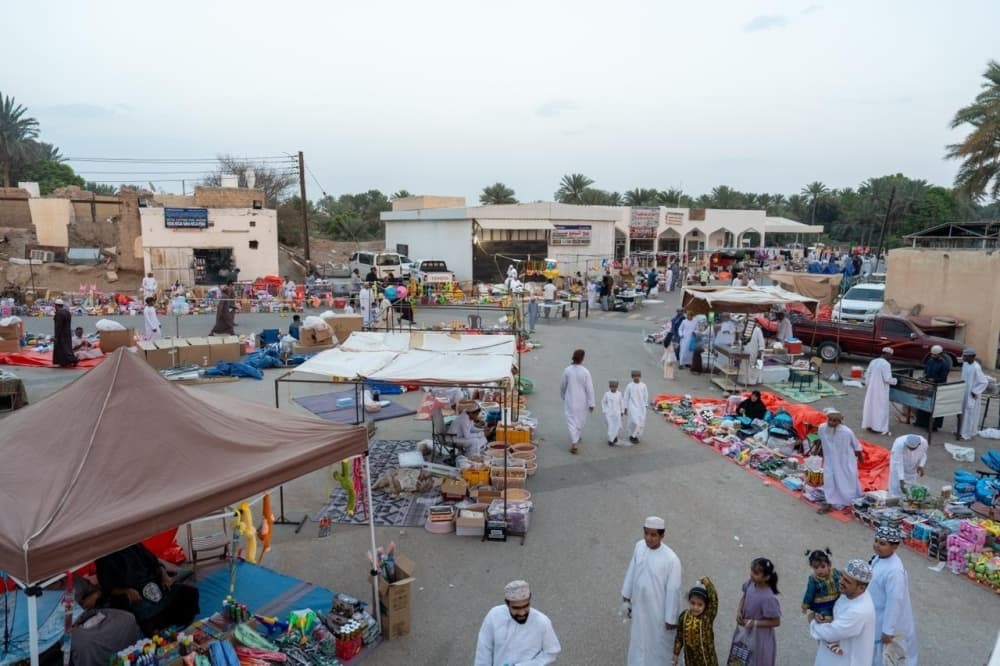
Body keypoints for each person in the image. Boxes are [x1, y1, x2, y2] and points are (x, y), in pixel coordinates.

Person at [96, 542, 200, 635]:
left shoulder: (134, 544)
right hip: (135, 593)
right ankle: (159, 628)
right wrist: (126, 591)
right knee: (145, 612)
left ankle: (178, 622)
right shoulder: (104, 558)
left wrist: (164, 575)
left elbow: (155, 563)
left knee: (190, 593)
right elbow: (107, 588)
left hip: (155, 583)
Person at [621, 516, 683, 666]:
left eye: (653, 534)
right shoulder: (639, 547)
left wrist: (670, 618)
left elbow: (673, 590)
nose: (649, 538)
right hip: (640, 607)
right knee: (639, 639)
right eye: (646, 533)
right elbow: (632, 570)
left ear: (662, 535)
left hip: (657, 612)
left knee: (657, 644)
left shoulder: (671, 560)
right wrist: (626, 596)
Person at [474, 580, 560, 666]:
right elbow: (484, 650)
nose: (522, 613)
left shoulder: (542, 622)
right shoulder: (494, 616)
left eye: (525, 606)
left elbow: (551, 652)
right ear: (507, 603)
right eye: (516, 608)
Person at [808, 559, 877, 666]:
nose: (840, 581)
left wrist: (812, 622)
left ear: (861, 588)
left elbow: (831, 633)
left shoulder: (859, 611)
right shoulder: (850, 592)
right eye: (842, 576)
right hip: (833, 655)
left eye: (847, 581)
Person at [869, 526, 918, 665]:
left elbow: (895, 601)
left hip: (888, 621)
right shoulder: (879, 558)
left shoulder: (895, 572)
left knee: (889, 656)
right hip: (877, 612)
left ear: (894, 546)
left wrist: (888, 630)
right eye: (876, 541)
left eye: (882, 543)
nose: (877, 545)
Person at [72, 577, 144, 666]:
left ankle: (131, 655)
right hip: (62, 628)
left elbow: (98, 590)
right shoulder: (49, 590)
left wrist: (94, 596)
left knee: (127, 618)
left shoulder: (74, 580)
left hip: (86, 614)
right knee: (83, 641)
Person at [815, 407, 864, 514]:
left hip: (845, 461)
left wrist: (861, 459)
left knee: (847, 481)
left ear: (839, 421)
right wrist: (815, 452)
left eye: (835, 420)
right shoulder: (822, 428)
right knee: (829, 480)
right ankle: (830, 502)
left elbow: (856, 446)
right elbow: (819, 439)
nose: (832, 422)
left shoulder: (847, 432)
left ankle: (849, 502)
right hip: (830, 461)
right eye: (830, 420)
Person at [734, 557, 781, 666]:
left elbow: (776, 622)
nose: (751, 574)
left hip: (759, 638)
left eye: (756, 573)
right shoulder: (750, 583)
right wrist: (739, 611)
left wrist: (754, 623)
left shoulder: (768, 598)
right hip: (745, 632)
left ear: (766, 577)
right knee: (741, 659)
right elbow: (744, 597)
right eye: (752, 571)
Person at [802, 548, 843, 656]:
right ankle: (829, 642)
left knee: (838, 620)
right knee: (825, 620)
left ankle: (837, 640)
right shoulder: (813, 579)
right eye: (816, 568)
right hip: (822, 605)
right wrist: (805, 605)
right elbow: (809, 593)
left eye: (823, 567)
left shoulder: (835, 573)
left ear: (829, 565)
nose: (820, 570)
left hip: (836, 601)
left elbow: (842, 581)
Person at [672, 576, 718, 666]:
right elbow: (679, 636)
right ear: (689, 601)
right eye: (692, 603)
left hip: (707, 660)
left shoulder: (707, 617)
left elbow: (714, 600)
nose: (695, 607)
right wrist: (675, 653)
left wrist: (707, 582)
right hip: (690, 660)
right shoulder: (684, 616)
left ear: (705, 605)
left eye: (700, 604)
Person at [560, 348, 595, 454]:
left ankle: (575, 441)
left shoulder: (567, 370)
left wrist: (563, 396)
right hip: (582, 401)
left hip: (570, 400)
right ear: (582, 359)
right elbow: (589, 388)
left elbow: (563, 385)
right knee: (580, 420)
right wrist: (591, 403)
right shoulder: (585, 372)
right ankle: (575, 440)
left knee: (571, 420)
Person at [861, 348, 897, 436]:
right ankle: (878, 428)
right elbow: (887, 379)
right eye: (890, 356)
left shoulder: (873, 361)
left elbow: (867, 374)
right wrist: (896, 380)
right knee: (880, 409)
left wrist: (868, 386)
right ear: (887, 354)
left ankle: (869, 425)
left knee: (871, 407)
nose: (891, 357)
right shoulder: (886, 364)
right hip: (881, 390)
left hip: (871, 389)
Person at [914, 345, 950, 430]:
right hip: (927, 385)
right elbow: (926, 372)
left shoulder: (944, 364)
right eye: (932, 354)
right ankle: (921, 423)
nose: (933, 356)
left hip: (938, 387)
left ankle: (934, 426)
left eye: (935, 355)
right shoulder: (930, 361)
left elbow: (943, 378)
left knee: (935, 407)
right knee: (923, 403)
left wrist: (933, 379)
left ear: (940, 354)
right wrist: (924, 377)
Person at [959, 348, 989, 441]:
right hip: (964, 392)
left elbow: (984, 382)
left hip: (971, 395)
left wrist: (975, 391)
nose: (963, 357)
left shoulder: (976, 367)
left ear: (972, 357)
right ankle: (960, 431)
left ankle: (967, 433)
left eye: (965, 356)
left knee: (969, 414)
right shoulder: (965, 364)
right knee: (962, 412)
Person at [623, 370, 649, 444]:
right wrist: (625, 408)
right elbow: (626, 397)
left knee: (640, 422)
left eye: (637, 376)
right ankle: (632, 436)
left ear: (640, 376)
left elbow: (646, 396)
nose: (636, 377)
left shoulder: (643, 385)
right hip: (632, 407)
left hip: (641, 407)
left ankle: (634, 436)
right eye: (634, 376)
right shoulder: (629, 386)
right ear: (632, 377)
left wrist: (645, 405)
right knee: (635, 422)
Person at [52, 298, 76, 367]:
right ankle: (66, 362)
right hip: (68, 333)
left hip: (61, 334)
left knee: (62, 349)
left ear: (56, 306)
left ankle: (72, 360)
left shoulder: (59, 313)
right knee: (68, 348)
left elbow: (58, 326)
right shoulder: (67, 312)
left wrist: (56, 336)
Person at [602, 379, 624, 446]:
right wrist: (605, 410)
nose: (613, 388)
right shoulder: (607, 394)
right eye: (612, 386)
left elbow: (621, 402)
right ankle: (610, 440)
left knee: (616, 426)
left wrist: (622, 411)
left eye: (615, 387)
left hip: (617, 413)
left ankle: (614, 437)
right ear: (610, 387)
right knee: (611, 426)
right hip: (609, 413)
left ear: (617, 387)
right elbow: (603, 402)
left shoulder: (619, 394)